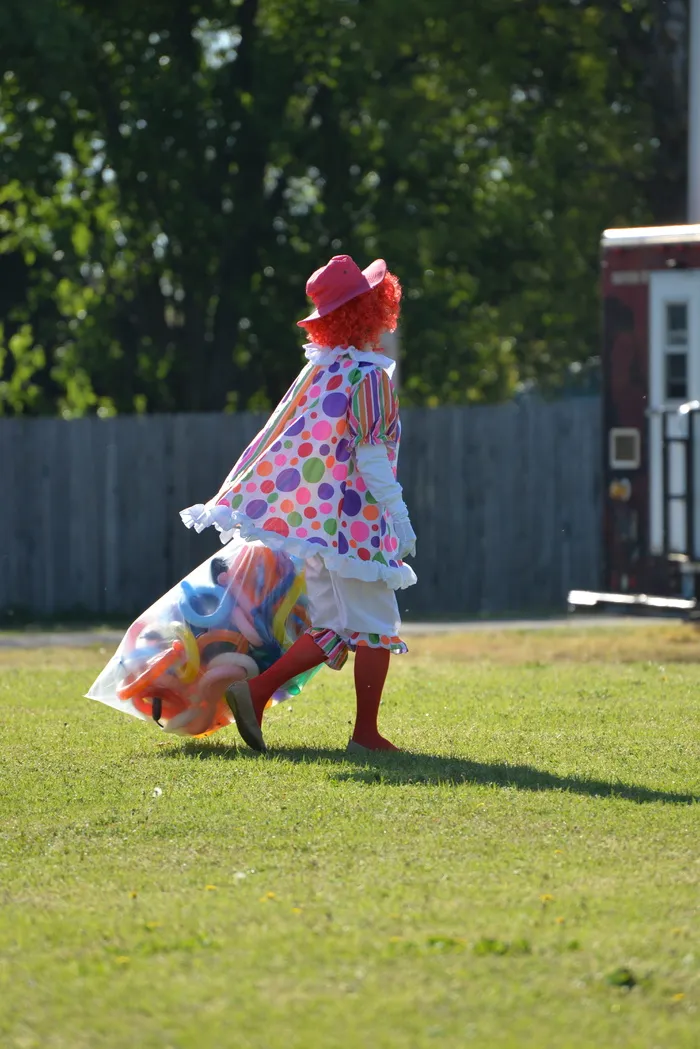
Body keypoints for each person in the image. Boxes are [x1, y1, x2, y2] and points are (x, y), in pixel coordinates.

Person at [181, 255, 417, 753]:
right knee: (376, 627)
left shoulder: (324, 372)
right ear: (375, 310)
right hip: (357, 526)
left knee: (335, 626)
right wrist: (400, 518)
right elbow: (372, 461)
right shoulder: (369, 378)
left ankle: (257, 691)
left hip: (320, 527)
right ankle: (366, 735)